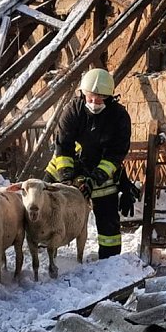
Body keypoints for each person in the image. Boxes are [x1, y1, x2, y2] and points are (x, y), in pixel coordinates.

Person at [44, 68, 131, 259]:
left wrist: (94, 179)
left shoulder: (119, 117)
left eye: (99, 99)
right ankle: (45, 250)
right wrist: (67, 179)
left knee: (108, 219)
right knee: (45, 207)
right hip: (67, 167)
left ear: (109, 97)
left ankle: (110, 260)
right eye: (90, 98)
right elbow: (63, 146)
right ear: (83, 94)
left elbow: (115, 154)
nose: (93, 103)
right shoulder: (72, 110)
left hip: (101, 173)